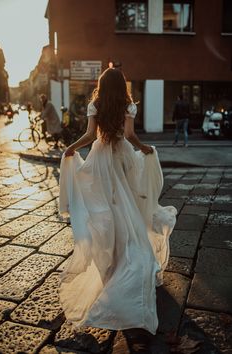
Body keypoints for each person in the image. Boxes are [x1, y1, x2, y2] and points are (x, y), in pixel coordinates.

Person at [59, 68, 177, 345]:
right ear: (122, 85)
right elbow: (130, 135)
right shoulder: (127, 104)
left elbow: (90, 135)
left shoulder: (96, 104)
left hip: (101, 158)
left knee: (105, 209)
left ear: (101, 84)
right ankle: (131, 252)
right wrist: (145, 148)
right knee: (130, 205)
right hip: (123, 157)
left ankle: (111, 254)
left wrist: (71, 148)